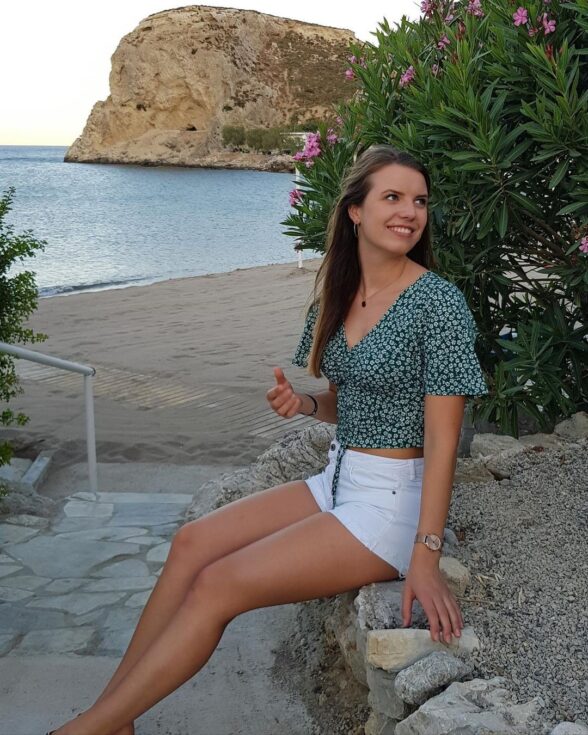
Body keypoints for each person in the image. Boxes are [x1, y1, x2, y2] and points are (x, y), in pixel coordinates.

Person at [48, 144, 489, 735]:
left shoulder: (439, 304)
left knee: (218, 584)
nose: (409, 212)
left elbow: (442, 439)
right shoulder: (339, 293)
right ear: (356, 210)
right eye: (393, 197)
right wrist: (305, 404)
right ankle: (114, 717)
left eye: (420, 201)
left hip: (391, 506)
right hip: (337, 480)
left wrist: (426, 555)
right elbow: (351, 403)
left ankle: (85, 730)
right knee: (191, 543)